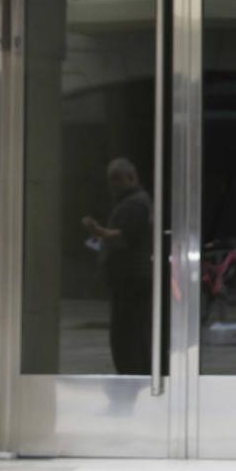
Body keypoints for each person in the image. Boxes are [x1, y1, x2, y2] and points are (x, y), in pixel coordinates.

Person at [82, 157, 153, 382]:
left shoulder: (134, 204)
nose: (113, 185)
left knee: (127, 333)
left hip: (131, 277)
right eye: (111, 180)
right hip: (129, 277)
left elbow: (126, 236)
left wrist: (98, 231)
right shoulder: (133, 202)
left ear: (131, 178)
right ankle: (134, 376)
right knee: (130, 330)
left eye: (117, 180)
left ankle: (132, 378)